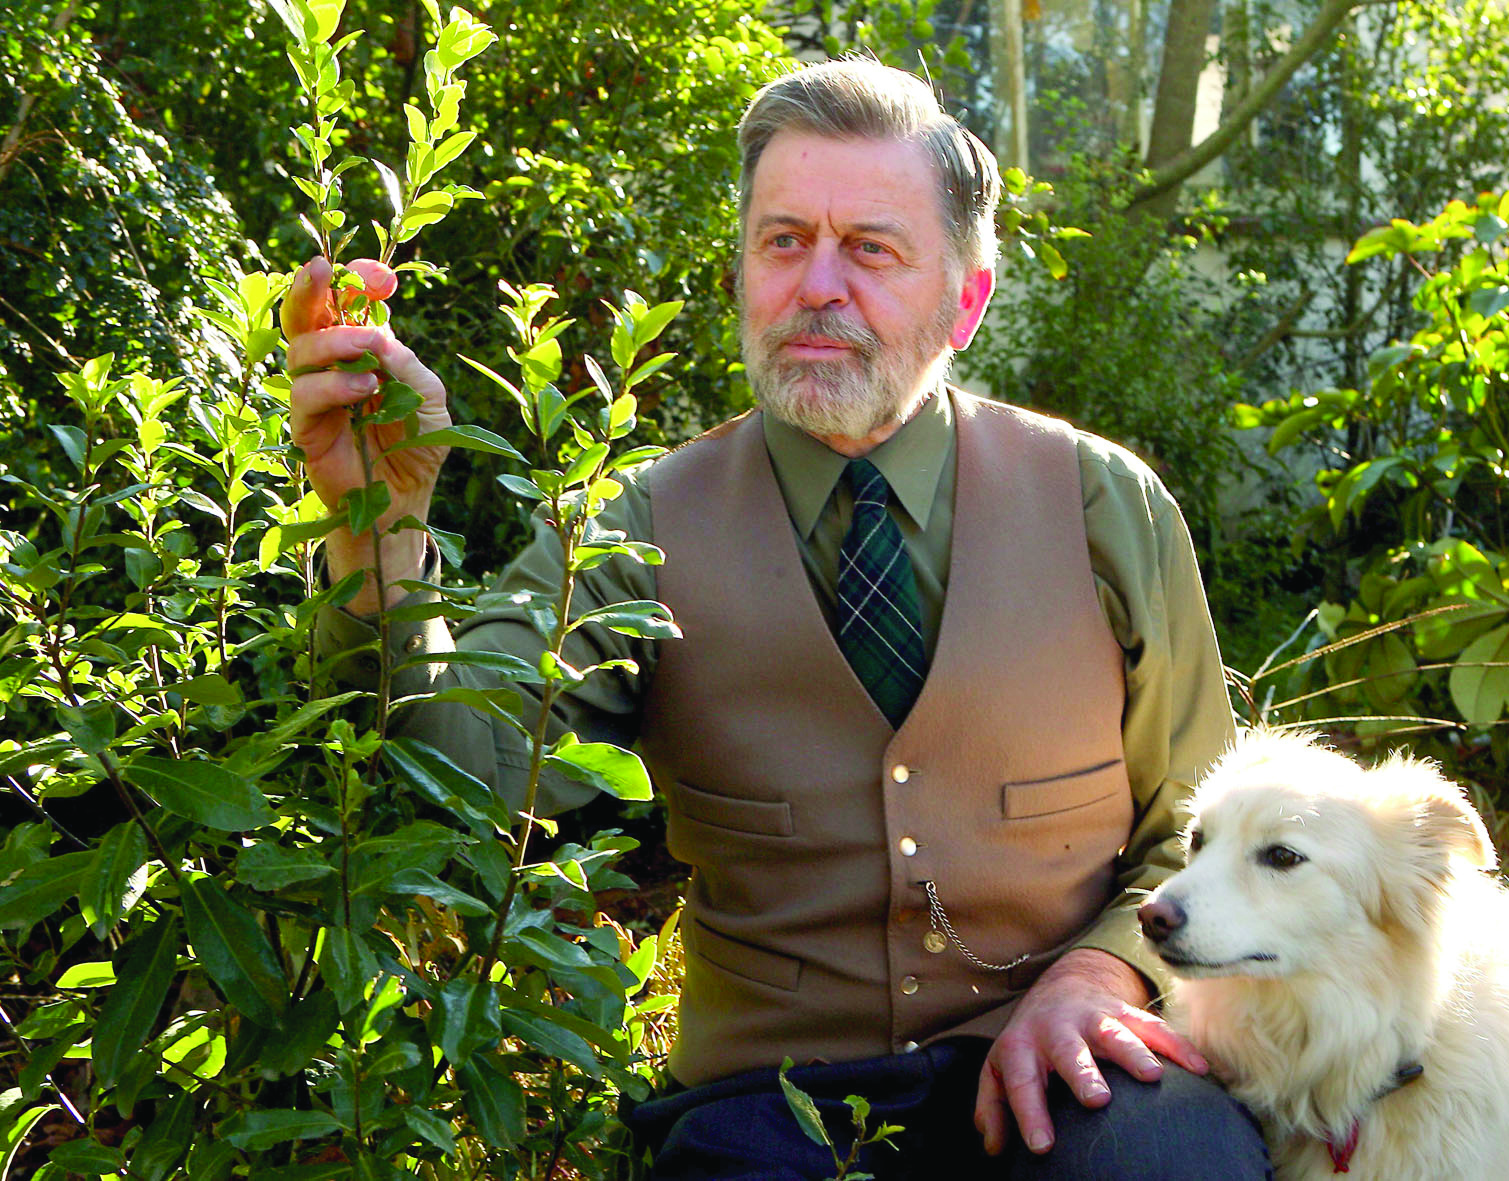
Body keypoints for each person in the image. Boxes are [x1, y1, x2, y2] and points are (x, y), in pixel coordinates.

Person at [283, 57, 1266, 1181]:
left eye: (871, 249)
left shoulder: (1103, 506)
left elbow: (1204, 830)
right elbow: (467, 793)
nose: (817, 286)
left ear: (967, 300)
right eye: (784, 241)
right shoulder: (636, 526)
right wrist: (379, 529)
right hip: (762, 1108)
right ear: (741, 276)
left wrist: (1100, 972)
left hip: (1065, 1075)